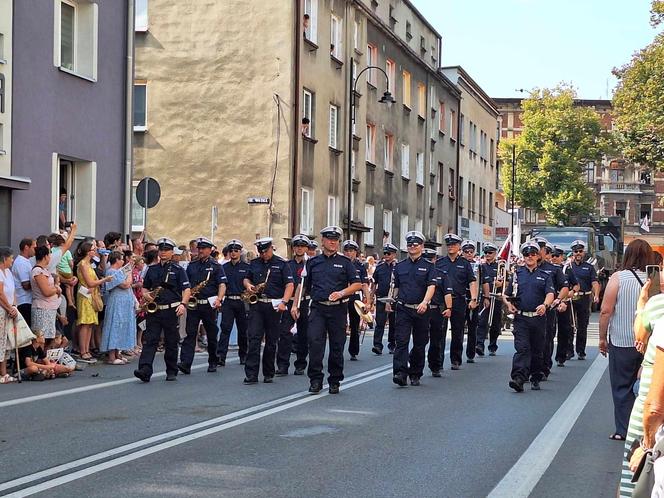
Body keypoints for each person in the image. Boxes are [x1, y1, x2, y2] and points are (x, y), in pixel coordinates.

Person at [291, 226, 361, 394]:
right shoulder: (313, 262)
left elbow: (357, 284)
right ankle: (315, 380)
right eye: (329, 239)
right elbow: (302, 286)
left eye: (336, 240)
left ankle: (335, 380)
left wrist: (342, 293)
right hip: (318, 309)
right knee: (315, 344)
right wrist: (295, 305)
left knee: (337, 346)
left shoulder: (345, 263)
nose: (333, 242)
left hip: (338, 310)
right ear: (323, 241)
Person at [599, 239, 652, 441]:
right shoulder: (656, 278)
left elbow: (605, 311)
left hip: (622, 340)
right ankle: (648, 430)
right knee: (648, 386)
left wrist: (603, 338)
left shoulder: (618, 278)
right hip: (650, 342)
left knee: (622, 386)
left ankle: (624, 430)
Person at [390, 232, 446, 386]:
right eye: (409, 244)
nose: (412, 247)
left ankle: (415, 373)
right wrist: (390, 300)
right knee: (401, 341)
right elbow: (396, 287)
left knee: (420, 343)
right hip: (403, 308)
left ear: (421, 246)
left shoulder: (429, 266)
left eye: (415, 244)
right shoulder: (400, 266)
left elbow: (431, 286)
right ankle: (400, 373)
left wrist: (425, 302)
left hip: (421, 309)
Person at [134, 238, 191, 382]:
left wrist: (183, 304)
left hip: (171, 310)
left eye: (166, 250)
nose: (163, 252)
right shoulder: (152, 269)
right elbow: (145, 287)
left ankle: (171, 371)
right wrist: (146, 295)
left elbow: (186, 289)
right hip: (155, 310)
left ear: (172, 252)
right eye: (161, 250)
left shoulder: (179, 270)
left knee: (171, 341)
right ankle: (145, 370)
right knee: (150, 340)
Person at [503, 241, 555, 393]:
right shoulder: (517, 274)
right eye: (527, 254)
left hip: (538, 318)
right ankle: (518, 378)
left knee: (537, 350)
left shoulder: (545, 275)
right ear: (523, 257)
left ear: (538, 256)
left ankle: (536, 377)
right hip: (521, 318)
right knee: (522, 348)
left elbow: (550, 293)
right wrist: (508, 304)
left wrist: (544, 305)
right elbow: (506, 295)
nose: (530, 257)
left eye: (533, 254)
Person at [242, 237, 294, 384]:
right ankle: (251, 374)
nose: (263, 254)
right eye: (261, 252)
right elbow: (246, 279)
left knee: (271, 341)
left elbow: (289, 285)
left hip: (274, 306)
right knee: (254, 339)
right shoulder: (254, 263)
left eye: (266, 251)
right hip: (257, 304)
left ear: (271, 248)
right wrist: (248, 286)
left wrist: (284, 302)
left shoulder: (282, 264)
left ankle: (268, 372)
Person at [178, 237, 227, 374]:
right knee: (190, 333)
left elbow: (222, 284)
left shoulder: (216, 266)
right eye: (199, 248)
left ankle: (213, 361)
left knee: (211, 334)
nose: (200, 251)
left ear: (210, 250)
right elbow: (186, 284)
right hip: (194, 303)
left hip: (209, 304)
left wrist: (219, 298)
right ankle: (186, 363)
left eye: (203, 248)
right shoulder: (192, 265)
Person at [436, 233, 478, 370]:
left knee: (457, 332)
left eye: (453, 245)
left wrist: (473, 298)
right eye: (448, 245)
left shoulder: (465, 264)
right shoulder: (440, 262)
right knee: (440, 332)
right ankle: (438, 362)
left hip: (459, 300)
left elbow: (472, 282)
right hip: (442, 302)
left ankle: (455, 359)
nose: (450, 247)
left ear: (459, 246)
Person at [74, 242, 113, 363]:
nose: (94, 251)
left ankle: (87, 350)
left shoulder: (89, 264)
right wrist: (104, 280)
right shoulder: (83, 264)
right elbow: (90, 283)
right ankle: (83, 351)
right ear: (87, 252)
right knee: (85, 323)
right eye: (92, 249)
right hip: (85, 295)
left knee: (90, 323)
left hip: (91, 295)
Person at [537, 240, 569, 380]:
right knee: (527, 342)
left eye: (540, 250)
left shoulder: (554, 269)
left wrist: (558, 300)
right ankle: (526, 369)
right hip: (528, 309)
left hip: (547, 309)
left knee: (546, 338)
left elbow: (564, 287)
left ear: (545, 252)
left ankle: (544, 367)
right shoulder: (523, 268)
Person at [99, 251, 136, 364]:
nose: (123, 261)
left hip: (124, 302)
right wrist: (129, 273)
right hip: (116, 301)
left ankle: (117, 353)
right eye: (121, 259)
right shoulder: (111, 271)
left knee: (122, 326)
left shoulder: (119, 271)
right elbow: (125, 284)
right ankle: (111, 356)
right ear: (116, 260)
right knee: (115, 325)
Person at [282, 234, 310, 375]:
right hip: (289, 301)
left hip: (304, 302)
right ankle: (283, 365)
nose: (299, 249)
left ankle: (300, 364)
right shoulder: (287, 265)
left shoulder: (310, 264)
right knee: (285, 334)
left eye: (302, 246)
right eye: (297, 246)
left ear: (306, 248)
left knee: (303, 334)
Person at [219, 239, 250, 366]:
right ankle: (221, 356)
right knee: (225, 328)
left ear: (240, 252)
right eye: (231, 251)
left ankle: (243, 355)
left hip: (242, 301)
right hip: (228, 300)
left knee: (243, 330)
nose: (233, 253)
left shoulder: (247, 267)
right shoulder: (224, 267)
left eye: (236, 251)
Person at [569, 239, 600, 360]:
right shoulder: (568, 266)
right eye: (576, 251)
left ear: (584, 253)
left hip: (584, 297)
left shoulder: (589, 267)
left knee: (582, 326)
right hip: (571, 298)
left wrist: (596, 294)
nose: (578, 253)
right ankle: (569, 350)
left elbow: (595, 282)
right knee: (570, 325)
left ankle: (581, 351)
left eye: (580, 251)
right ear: (573, 252)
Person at [423, 247, 451, 376]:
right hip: (421, 310)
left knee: (436, 340)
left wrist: (448, 308)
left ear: (435, 259)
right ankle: (416, 367)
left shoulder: (442, 274)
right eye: (425, 258)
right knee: (420, 340)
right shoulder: (418, 272)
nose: (428, 261)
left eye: (430, 259)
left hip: (436, 310)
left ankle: (435, 366)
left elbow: (447, 293)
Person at [31, 246, 67, 345]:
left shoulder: (44, 270)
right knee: (41, 338)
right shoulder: (38, 271)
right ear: (46, 256)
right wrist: (57, 289)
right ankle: (39, 359)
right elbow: (46, 291)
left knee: (49, 338)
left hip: (49, 308)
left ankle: (45, 358)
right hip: (42, 308)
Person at [342, 240, 369, 361]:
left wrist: (368, 301)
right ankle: (338, 350)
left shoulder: (360, 266)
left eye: (351, 251)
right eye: (346, 251)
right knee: (340, 325)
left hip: (354, 297)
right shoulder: (340, 263)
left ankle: (353, 351)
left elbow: (364, 285)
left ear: (355, 252)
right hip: (342, 296)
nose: (349, 253)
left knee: (354, 324)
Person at [475, 243, 503, 357]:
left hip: (496, 297)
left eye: (490, 253)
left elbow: (506, 282)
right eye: (486, 253)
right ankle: (480, 344)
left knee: (496, 323)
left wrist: (500, 283)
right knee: (482, 321)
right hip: (484, 296)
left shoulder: (500, 267)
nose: (487, 255)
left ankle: (492, 345)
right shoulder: (481, 266)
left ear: (495, 254)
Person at [372, 243, 398, 355]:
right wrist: (370, 296)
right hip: (381, 298)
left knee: (394, 323)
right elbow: (374, 283)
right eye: (385, 253)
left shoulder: (398, 267)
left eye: (389, 253)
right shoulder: (379, 267)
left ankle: (392, 344)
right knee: (379, 323)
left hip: (393, 299)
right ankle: (377, 345)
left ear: (394, 254)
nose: (386, 255)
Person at [0, 247, 18, 384]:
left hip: (9, 310)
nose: (12, 260)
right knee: (1, 340)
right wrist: (8, 307)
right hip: (2, 310)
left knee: (6, 341)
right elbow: (0, 294)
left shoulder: (9, 272)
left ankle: (4, 373)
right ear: (4, 258)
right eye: (11, 258)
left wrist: (14, 307)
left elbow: (13, 292)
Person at [461, 240, 480, 364]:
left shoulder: (478, 266)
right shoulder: (458, 264)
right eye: (466, 251)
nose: (468, 254)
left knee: (473, 327)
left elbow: (482, 282)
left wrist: (486, 298)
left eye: (471, 252)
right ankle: (456, 355)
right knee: (459, 328)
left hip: (473, 298)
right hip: (460, 298)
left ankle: (470, 353)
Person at [12, 238, 34, 326]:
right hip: (24, 301)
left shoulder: (26, 261)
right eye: (33, 247)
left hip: (27, 301)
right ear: (26, 247)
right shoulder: (21, 262)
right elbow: (25, 284)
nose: (35, 250)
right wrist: (38, 283)